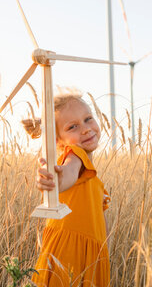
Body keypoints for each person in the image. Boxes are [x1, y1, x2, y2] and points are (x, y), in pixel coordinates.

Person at [22, 91, 111, 287]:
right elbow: (68, 173)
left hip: (90, 256)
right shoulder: (76, 155)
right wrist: (56, 181)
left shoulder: (92, 175)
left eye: (88, 119)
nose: (86, 129)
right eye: (72, 127)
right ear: (57, 140)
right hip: (70, 256)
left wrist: (102, 255)